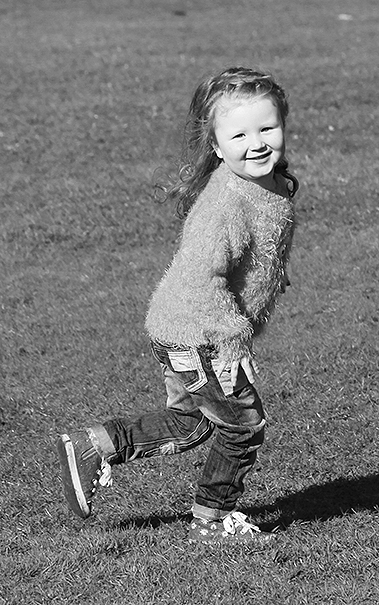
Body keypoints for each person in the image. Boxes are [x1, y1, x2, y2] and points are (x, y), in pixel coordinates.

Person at [55, 67, 298, 543]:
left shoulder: (264, 185)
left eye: (267, 128)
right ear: (215, 144)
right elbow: (199, 277)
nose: (258, 143)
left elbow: (253, 250)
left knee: (190, 424)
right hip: (202, 331)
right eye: (240, 134)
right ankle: (212, 520)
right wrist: (231, 338)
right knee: (243, 428)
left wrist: (271, 273)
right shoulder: (227, 204)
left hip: (179, 326)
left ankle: (93, 445)